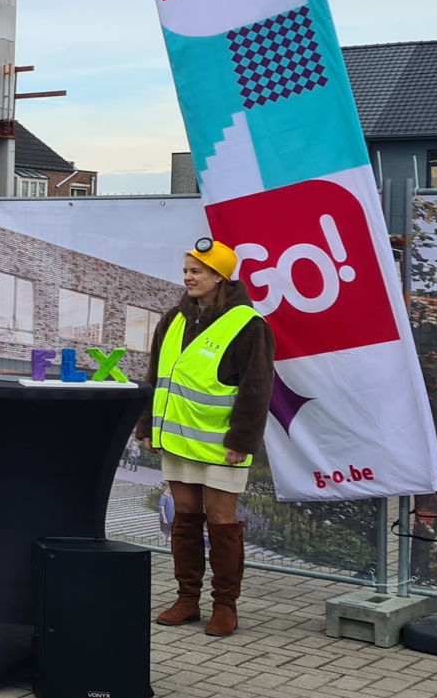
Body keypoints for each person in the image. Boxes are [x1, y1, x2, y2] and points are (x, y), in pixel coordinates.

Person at [132, 238, 274, 638]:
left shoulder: (249, 325)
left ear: (220, 277)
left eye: (197, 271)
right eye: (186, 270)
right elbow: (155, 378)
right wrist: (147, 427)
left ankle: (225, 606)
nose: (188, 277)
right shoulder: (172, 320)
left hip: (222, 447)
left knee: (222, 523)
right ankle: (187, 599)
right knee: (185, 520)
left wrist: (241, 442)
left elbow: (257, 388)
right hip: (177, 442)